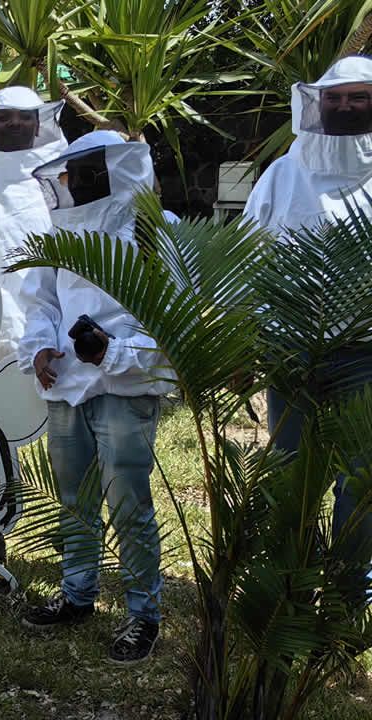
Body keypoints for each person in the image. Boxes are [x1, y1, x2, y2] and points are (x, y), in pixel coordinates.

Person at [17, 130, 173, 665]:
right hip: (66, 389)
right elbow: (39, 303)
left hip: (127, 392)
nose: (79, 182)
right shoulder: (60, 233)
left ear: (119, 169)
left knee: (129, 504)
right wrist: (39, 347)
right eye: (73, 172)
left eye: (91, 171)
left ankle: (143, 614)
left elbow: (177, 330)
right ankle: (77, 595)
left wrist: (113, 351)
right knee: (74, 500)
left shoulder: (158, 233)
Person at [244, 55, 372, 596]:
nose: (344, 106)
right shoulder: (283, 174)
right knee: (293, 471)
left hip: (366, 354)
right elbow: (248, 257)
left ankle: (349, 591)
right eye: (335, 97)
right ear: (316, 104)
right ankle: (286, 583)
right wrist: (244, 340)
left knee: (362, 477)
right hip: (291, 349)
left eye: (359, 97)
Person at [0, 85, 68, 559]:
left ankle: (70, 532)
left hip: (48, 324)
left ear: (39, 123)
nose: (14, 126)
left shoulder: (60, 176)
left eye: (25, 118)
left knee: (61, 433)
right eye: (4, 118)